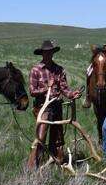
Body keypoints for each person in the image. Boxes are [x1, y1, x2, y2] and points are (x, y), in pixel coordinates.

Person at [28, 40, 81, 168]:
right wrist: (47, 88)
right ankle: (32, 166)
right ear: (42, 53)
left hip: (57, 106)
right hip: (43, 108)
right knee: (41, 136)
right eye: (46, 52)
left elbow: (64, 88)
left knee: (57, 137)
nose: (48, 55)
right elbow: (32, 91)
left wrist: (72, 94)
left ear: (53, 53)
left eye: (50, 52)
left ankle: (55, 162)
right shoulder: (36, 70)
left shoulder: (59, 69)